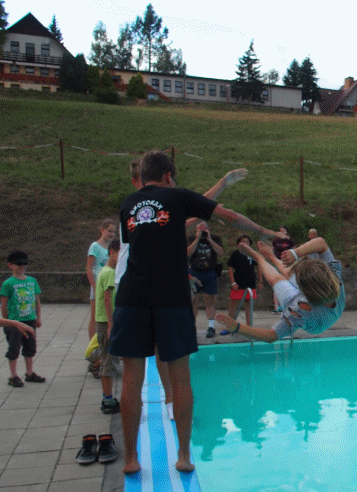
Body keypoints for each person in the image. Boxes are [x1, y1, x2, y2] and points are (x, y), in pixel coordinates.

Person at [109, 150, 280, 475]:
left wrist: (222, 183)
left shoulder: (128, 204)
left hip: (132, 297)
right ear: (169, 177)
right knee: (181, 379)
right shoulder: (177, 197)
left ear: (143, 176)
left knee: (131, 379)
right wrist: (265, 232)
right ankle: (184, 456)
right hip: (171, 296)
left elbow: (143, 236)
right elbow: (227, 216)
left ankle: (131, 459)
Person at [117, 158, 249, 421]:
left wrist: (220, 190)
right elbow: (190, 209)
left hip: (145, 287)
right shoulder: (134, 208)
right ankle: (139, 410)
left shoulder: (152, 207)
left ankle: (169, 400)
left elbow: (188, 212)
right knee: (136, 366)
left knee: (162, 351)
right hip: (130, 287)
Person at [216, 236, 344, 343]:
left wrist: (238, 327)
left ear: (303, 290)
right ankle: (271, 257)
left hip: (316, 324)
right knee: (289, 273)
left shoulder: (299, 310)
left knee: (277, 279)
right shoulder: (333, 274)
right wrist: (295, 253)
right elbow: (321, 243)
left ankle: (259, 258)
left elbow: (272, 335)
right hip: (324, 302)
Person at [0, 250, 45, 387]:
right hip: (14, 321)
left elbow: (37, 300)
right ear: (10, 265)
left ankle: (29, 372)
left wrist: (38, 317)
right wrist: (6, 321)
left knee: (30, 347)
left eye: (24, 264)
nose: (22, 267)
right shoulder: (8, 283)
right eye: (18, 264)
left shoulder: (32, 281)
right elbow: (4, 303)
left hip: (30, 319)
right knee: (14, 348)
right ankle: (13, 375)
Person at [95, 239, 122, 414]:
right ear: (112, 252)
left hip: (106, 321)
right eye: (121, 253)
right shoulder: (109, 273)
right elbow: (107, 299)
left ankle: (108, 397)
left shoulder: (106, 271)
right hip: (106, 322)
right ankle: (107, 400)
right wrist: (111, 324)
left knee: (109, 358)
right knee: (108, 360)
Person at [187, 221, 224, 338]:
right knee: (193, 300)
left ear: (208, 229)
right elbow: (187, 253)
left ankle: (211, 327)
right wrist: (197, 239)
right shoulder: (192, 238)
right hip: (194, 271)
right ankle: (191, 327)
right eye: (199, 230)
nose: (202, 232)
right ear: (196, 230)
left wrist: (210, 239)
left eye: (204, 230)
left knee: (210, 300)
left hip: (210, 272)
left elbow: (221, 252)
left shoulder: (215, 238)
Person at [86, 219, 118, 340]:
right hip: (98, 284)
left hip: (108, 283)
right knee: (95, 317)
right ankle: (93, 345)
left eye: (114, 232)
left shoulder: (113, 247)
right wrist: (94, 287)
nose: (111, 234)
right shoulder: (95, 246)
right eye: (109, 231)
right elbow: (89, 268)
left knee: (106, 314)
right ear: (102, 230)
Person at [224, 234, 259, 331]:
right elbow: (230, 268)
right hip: (238, 283)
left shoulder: (252, 254)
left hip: (250, 283)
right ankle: (229, 326)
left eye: (247, 241)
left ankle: (249, 327)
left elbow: (258, 266)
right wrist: (233, 283)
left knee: (248, 305)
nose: (245, 243)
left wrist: (260, 281)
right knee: (233, 305)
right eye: (243, 241)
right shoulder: (235, 253)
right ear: (239, 243)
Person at [270, 226, 295, 313]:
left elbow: (294, 252)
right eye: (280, 231)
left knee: (288, 284)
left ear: (287, 232)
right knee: (276, 283)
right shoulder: (275, 241)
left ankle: (287, 305)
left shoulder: (290, 241)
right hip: (277, 263)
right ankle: (276, 307)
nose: (282, 232)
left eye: (284, 231)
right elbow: (271, 251)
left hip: (287, 264)